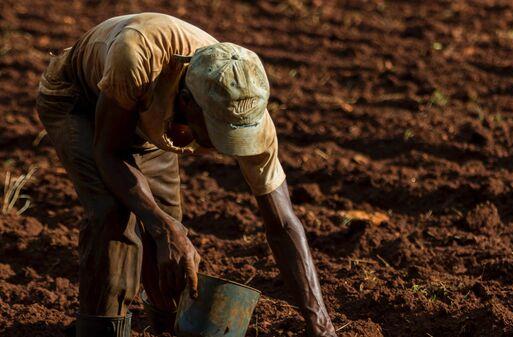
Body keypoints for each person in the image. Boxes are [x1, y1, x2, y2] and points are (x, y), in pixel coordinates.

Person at [36, 12, 337, 337]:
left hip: (145, 117)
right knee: (116, 214)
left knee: (169, 233)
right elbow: (109, 153)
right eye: (217, 131)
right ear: (187, 102)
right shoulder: (138, 57)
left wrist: (321, 325)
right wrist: (165, 229)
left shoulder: (247, 104)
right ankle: (99, 330)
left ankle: (166, 325)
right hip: (78, 98)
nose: (223, 147)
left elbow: (283, 223)